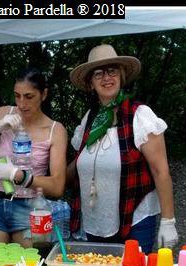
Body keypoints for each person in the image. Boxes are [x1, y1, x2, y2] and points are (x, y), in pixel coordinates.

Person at [67, 44, 178, 253]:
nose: (106, 78)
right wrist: (47, 180)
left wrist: (168, 220)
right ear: (91, 83)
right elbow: (78, 163)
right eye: (98, 74)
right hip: (95, 222)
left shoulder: (139, 115)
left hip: (135, 219)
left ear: (121, 76)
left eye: (112, 71)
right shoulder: (90, 119)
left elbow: (160, 171)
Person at [0, 68, 68, 247]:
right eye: (17, 96)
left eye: (29, 96)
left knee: (29, 262)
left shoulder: (55, 130)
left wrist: (19, 176)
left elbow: (57, 187)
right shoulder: (4, 113)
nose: (22, 104)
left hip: (30, 206)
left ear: (44, 94)